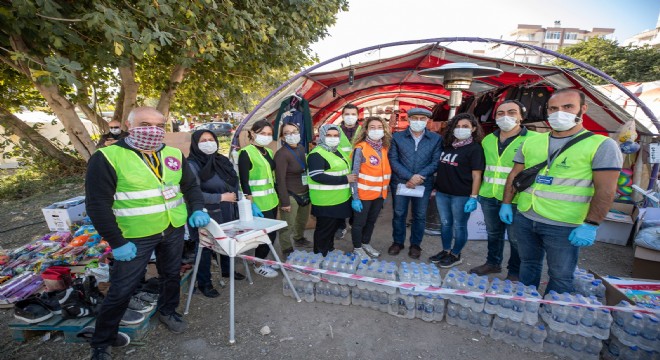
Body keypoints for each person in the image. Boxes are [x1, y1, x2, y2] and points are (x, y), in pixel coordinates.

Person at [85, 107, 210, 360]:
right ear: (130, 126)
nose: (153, 130)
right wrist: (117, 242)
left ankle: (168, 311)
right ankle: (102, 342)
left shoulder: (173, 153)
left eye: (159, 125)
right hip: (134, 236)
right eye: (145, 123)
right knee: (122, 288)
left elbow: (190, 187)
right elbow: (97, 204)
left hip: (172, 228)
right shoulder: (107, 157)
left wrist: (197, 208)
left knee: (170, 275)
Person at [501, 89, 622, 294]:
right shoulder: (531, 141)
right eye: (553, 108)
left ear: (583, 109)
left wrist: (591, 224)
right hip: (526, 216)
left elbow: (606, 190)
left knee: (560, 273)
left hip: (564, 223)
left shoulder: (601, 145)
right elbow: (514, 175)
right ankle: (525, 303)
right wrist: (506, 203)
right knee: (528, 264)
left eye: (567, 107)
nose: (559, 113)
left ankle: (552, 312)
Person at [469, 100, 538, 280]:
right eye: (500, 113)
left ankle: (514, 271)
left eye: (512, 112)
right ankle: (493, 263)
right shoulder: (488, 140)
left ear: (521, 116)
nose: (505, 116)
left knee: (516, 238)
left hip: (515, 199)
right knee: (493, 234)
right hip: (489, 195)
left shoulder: (533, 140)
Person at [187, 130, 245, 298]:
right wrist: (220, 197)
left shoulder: (222, 160)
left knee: (228, 241)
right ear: (195, 144)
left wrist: (238, 196)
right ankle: (204, 283)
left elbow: (233, 181)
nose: (208, 143)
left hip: (228, 211)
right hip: (207, 214)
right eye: (203, 140)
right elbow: (192, 192)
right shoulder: (192, 164)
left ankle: (227, 270)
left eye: (211, 139)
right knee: (205, 248)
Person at [430, 113, 485, 268]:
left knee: (459, 226)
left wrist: (473, 197)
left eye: (465, 126)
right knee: (445, 224)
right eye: (458, 126)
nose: (460, 129)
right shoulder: (448, 145)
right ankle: (446, 250)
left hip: (461, 196)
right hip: (443, 194)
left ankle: (456, 254)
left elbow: (477, 175)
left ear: (473, 129)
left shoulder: (475, 149)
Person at [388, 107, 441, 259]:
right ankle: (397, 242)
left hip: (423, 183)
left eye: (422, 119)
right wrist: (410, 177)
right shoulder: (397, 137)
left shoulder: (436, 139)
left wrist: (419, 177)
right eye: (415, 118)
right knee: (399, 214)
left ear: (427, 121)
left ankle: (415, 245)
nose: (418, 121)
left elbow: (436, 161)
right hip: (401, 182)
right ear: (408, 119)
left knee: (419, 215)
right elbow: (393, 160)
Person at [238, 119, 279, 278]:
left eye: (269, 134)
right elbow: (243, 180)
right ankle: (258, 263)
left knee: (271, 233)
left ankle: (261, 259)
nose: (266, 137)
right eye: (263, 133)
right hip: (258, 203)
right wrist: (250, 202)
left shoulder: (267, 152)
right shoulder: (246, 153)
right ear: (253, 133)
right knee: (266, 235)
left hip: (271, 200)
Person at [307, 124, 356, 256]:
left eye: (336, 136)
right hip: (326, 201)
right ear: (322, 136)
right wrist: (345, 179)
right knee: (324, 229)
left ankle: (329, 249)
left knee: (332, 228)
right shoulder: (316, 154)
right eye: (329, 135)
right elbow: (317, 176)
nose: (333, 138)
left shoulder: (337, 150)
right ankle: (319, 254)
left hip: (340, 198)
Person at [350, 117, 392, 260]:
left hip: (379, 195)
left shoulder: (384, 148)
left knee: (371, 222)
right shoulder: (360, 148)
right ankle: (357, 248)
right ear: (366, 130)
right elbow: (353, 174)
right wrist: (355, 197)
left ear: (384, 130)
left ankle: (365, 243)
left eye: (379, 127)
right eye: (372, 127)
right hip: (363, 195)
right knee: (359, 223)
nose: (376, 130)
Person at [274, 122, 313, 257]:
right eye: (287, 133)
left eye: (294, 131)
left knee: (302, 220)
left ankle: (299, 238)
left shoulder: (301, 148)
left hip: (304, 192)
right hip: (290, 195)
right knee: (287, 225)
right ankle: (286, 249)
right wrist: (285, 201)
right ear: (282, 138)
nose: (291, 135)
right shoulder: (281, 154)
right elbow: (280, 180)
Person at [335, 103, 361, 240]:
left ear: (358, 116)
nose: (350, 117)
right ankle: (341, 226)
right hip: (340, 172)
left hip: (359, 172)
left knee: (356, 198)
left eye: (353, 114)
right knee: (340, 199)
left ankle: (352, 223)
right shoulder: (334, 131)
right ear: (342, 116)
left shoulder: (364, 130)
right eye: (347, 114)